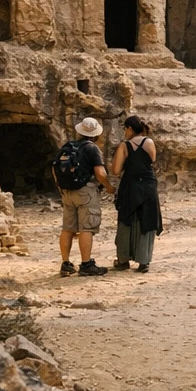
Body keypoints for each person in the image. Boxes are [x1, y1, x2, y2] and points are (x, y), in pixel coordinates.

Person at [54, 115, 114, 277]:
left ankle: (65, 264)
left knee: (68, 228)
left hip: (67, 192)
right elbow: (100, 172)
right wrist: (108, 186)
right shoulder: (91, 148)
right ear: (96, 134)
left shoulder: (68, 146)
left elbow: (55, 168)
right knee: (86, 228)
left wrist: (60, 187)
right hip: (85, 191)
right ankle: (86, 264)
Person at [110, 115, 163, 273]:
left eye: (125, 129)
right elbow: (151, 161)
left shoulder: (124, 146)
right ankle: (144, 261)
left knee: (127, 220)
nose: (124, 132)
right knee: (146, 219)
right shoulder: (149, 142)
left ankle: (123, 259)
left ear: (130, 129)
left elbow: (116, 171)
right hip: (148, 185)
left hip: (130, 186)